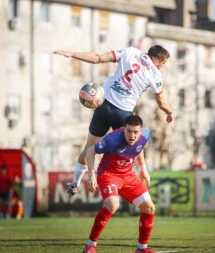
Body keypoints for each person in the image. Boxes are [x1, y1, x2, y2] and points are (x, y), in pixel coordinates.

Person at [53, 45, 173, 195]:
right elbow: (161, 102)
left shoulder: (131, 52)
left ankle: (74, 184)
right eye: (163, 63)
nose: (162, 67)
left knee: (89, 148)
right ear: (156, 61)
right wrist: (169, 112)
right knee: (136, 140)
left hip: (103, 106)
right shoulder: (155, 74)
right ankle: (141, 172)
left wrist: (72, 53)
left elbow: (98, 58)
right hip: (123, 114)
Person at [82, 115, 156, 253]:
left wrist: (143, 170)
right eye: (129, 131)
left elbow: (139, 148)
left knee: (149, 208)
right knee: (112, 205)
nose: (132, 136)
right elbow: (90, 151)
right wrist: (91, 175)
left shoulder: (145, 135)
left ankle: (141, 249)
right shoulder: (111, 140)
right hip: (109, 175)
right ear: (124, 129)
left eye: (135, 132)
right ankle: (90, 245)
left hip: (128, 175)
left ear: (141, 131)